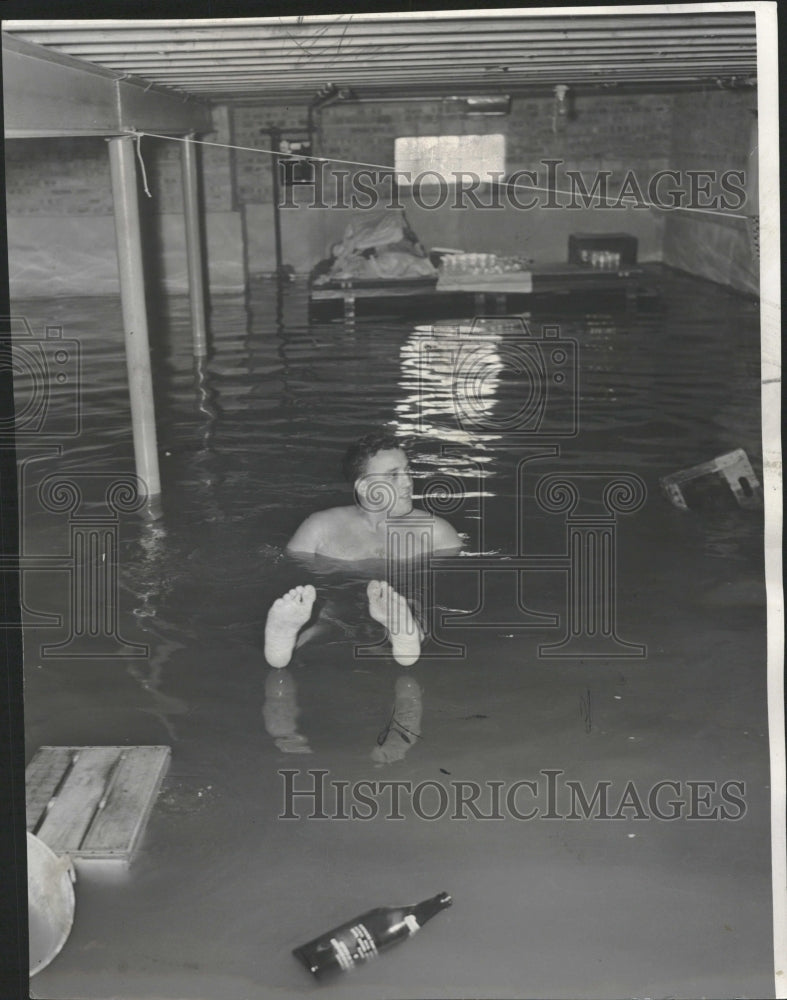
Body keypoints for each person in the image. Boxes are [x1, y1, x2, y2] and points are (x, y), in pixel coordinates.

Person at [264, 431, 463, 669]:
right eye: (393, 476)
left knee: (412, 603)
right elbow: (290, 573)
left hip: (397, 596)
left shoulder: (435, 531)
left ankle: (404, 633)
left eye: (407, 471)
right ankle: (285, 640)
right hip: (337, 596)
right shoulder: (319, 527)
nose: (408, 482)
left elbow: (448, 583)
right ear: (365, 487)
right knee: (318, 607)